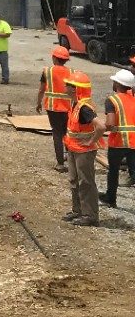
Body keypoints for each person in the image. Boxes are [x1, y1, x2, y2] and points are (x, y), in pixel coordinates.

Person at [62, 71, 106, 227]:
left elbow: (101, 126)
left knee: (86, 182)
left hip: (84, 151)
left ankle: (90, 215)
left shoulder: (84, 108)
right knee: (74, 180)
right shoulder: (75, 104)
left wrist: (91, 141)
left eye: (68, 85)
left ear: (75, 89)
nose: (65, 87)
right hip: (74, 148)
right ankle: (78, 210)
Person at [99, 69, 135, 207]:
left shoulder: (112, 99)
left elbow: (110, 123)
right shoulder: (134, 99)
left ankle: (110, 198)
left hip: (118, 142)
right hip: (134, 142)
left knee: (113, 171)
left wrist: (102, 128)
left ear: (117, 84)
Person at [36, 45, 73, 173]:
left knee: (57, 134)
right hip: (68, 108)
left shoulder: (47, 71)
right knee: (67, 132)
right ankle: (72, 160)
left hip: (53, 108)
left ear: (54, 58)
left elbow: (41, 89)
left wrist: (38, 103)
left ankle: (60, 164)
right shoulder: (72, 72)